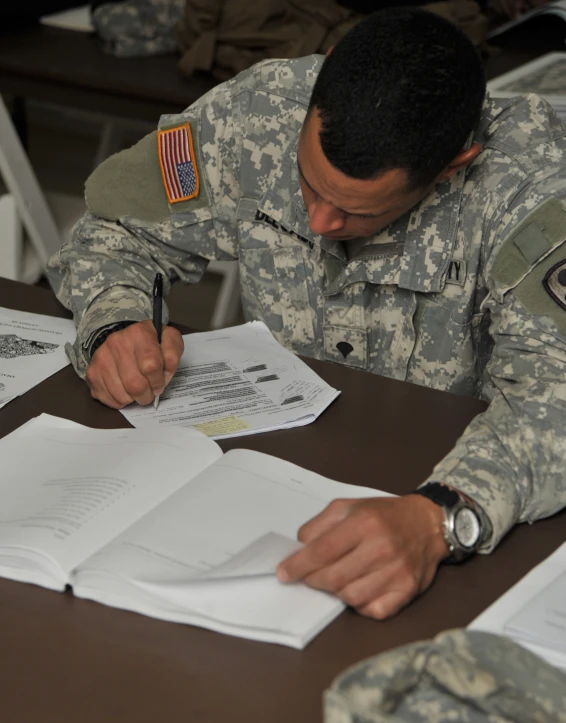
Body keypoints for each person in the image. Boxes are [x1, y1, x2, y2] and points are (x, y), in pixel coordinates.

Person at [47, 8, 566, 621]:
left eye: (355, 212)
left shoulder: (531, 188)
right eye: (308, 185)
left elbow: (553, 395)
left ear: (452, 166)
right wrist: (113, 322)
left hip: (442, 486)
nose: (319, 223)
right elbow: (116, 229)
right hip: (261, 470)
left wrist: (442, 519)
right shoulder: (257, 111)